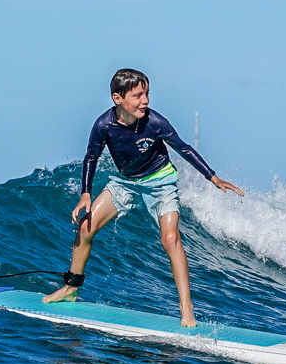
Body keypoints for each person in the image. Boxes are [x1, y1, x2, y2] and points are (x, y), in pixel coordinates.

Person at [43, 68, 243, 325]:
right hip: (126, 183)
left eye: (146, 94)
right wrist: (86, 194)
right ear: (118, 98)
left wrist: (213, 177)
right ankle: (71, 288)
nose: (145, 101)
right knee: (85, 228)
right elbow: (91, 157)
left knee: (170, 238)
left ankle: (186, 307)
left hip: (161, 182)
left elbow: (183, 148)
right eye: (137, 96)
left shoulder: (155, 122)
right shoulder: (103, 125)